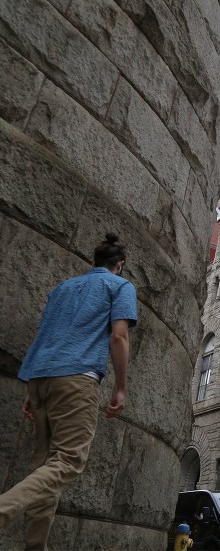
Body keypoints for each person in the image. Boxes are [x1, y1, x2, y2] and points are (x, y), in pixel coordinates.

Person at [0, 234, 137, 549]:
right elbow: (119, 337)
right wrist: (120, 387)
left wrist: (33, 389)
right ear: (119, 265)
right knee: (68, 461)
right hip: (77, 379)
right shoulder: (120, 286)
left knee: (45, 467)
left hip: (42, 379)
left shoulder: (63, 288)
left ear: (94, 261)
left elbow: (47, 333)